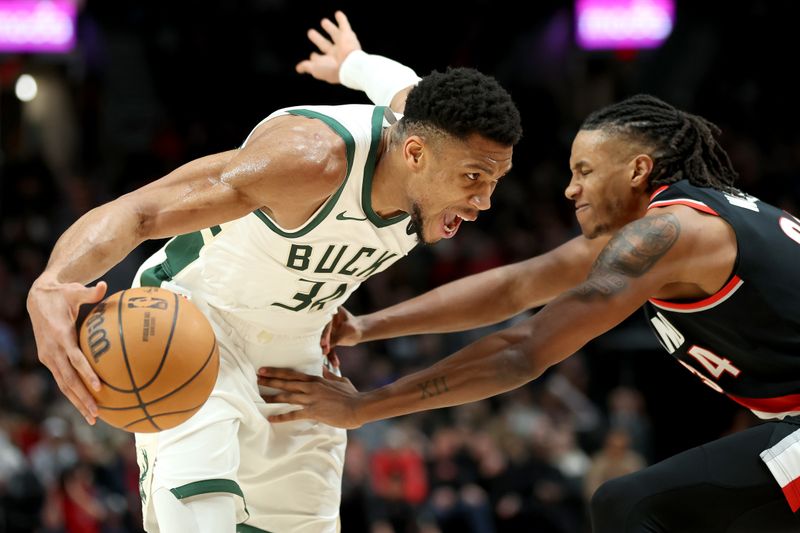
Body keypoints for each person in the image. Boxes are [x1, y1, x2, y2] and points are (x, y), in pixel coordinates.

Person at [260, 14, 800, 532]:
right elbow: (517, 286)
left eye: (585, 171)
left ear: (638, 170)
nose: (571, 190)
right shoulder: (685, 224)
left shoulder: (668, 234)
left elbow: (525, 349)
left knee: (630, 505)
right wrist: (366, 327)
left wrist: (364, 406)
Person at [25, 11, 523, 532]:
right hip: (198, 325)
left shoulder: (426, 127)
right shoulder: (310, 160)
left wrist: (350, 61)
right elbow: (142, 211)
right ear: (415, 154)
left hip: (299, 349)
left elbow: (398, 84)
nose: (484, 201)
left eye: (496, 180)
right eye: (474, 178)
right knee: (202, 518)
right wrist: (52, 282)